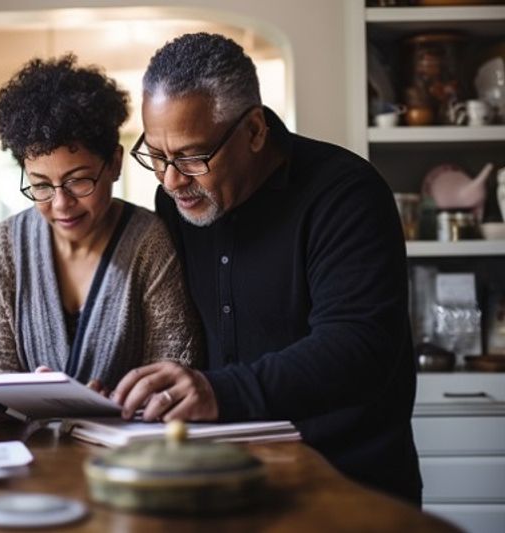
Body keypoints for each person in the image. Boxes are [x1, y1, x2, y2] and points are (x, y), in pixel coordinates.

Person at [111, 33, 422, 505]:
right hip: (227, 476)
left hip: (351, 486)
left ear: (255, 130)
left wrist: (221, 392)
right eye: (156, 155)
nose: (172, 181)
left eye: (193, 156)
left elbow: (360, 345)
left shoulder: (346, 195)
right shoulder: (176, 201)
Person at [0, 55, 202, 399]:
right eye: (41, 185)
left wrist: (113, 399)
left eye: (78, 181)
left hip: (127, 446)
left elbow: (173, 367)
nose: (61, 204)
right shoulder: (4, 246)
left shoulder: (148, 241)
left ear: (114, 164)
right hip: (29, 449)